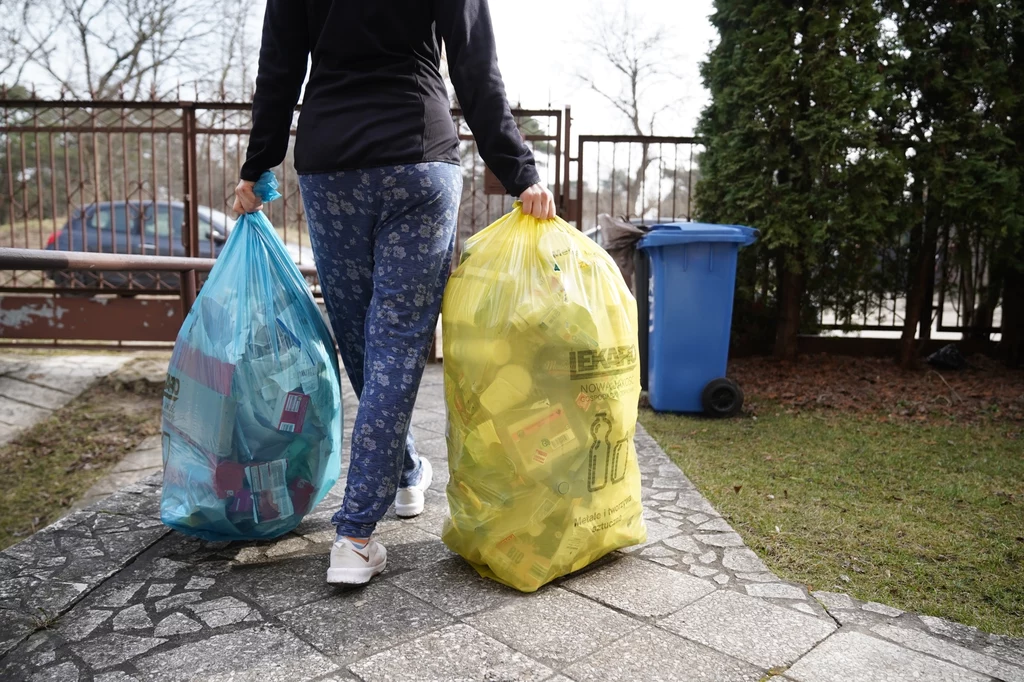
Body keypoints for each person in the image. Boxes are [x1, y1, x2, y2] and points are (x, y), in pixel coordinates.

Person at [235, 0, 554, 585]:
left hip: (332, 166)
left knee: (361, 340)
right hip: (417, 159)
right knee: (396, 346)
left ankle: (402, 478)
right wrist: (519, 171)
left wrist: (257, 167)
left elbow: (277, 68)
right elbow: (475, 68)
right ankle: (357, 532)